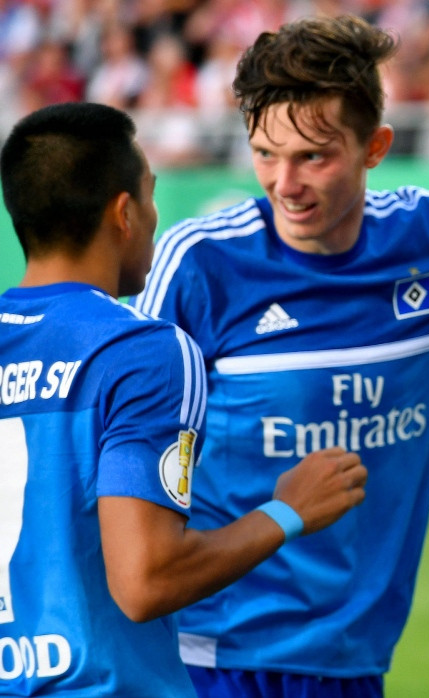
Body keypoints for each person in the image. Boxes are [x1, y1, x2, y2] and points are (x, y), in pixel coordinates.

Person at [131, 15, 429, 697]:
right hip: (209, 660)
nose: (284, 182)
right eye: (265, 153)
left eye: (313, 156)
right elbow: (117, 456)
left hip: (356, 663)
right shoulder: (199, 266)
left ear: (375, 145)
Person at [0, 102, 365, 696]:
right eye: (149, 194)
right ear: (124, 212)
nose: (153, 214)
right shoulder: (141, 350)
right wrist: (288, 512)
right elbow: (146, 580)